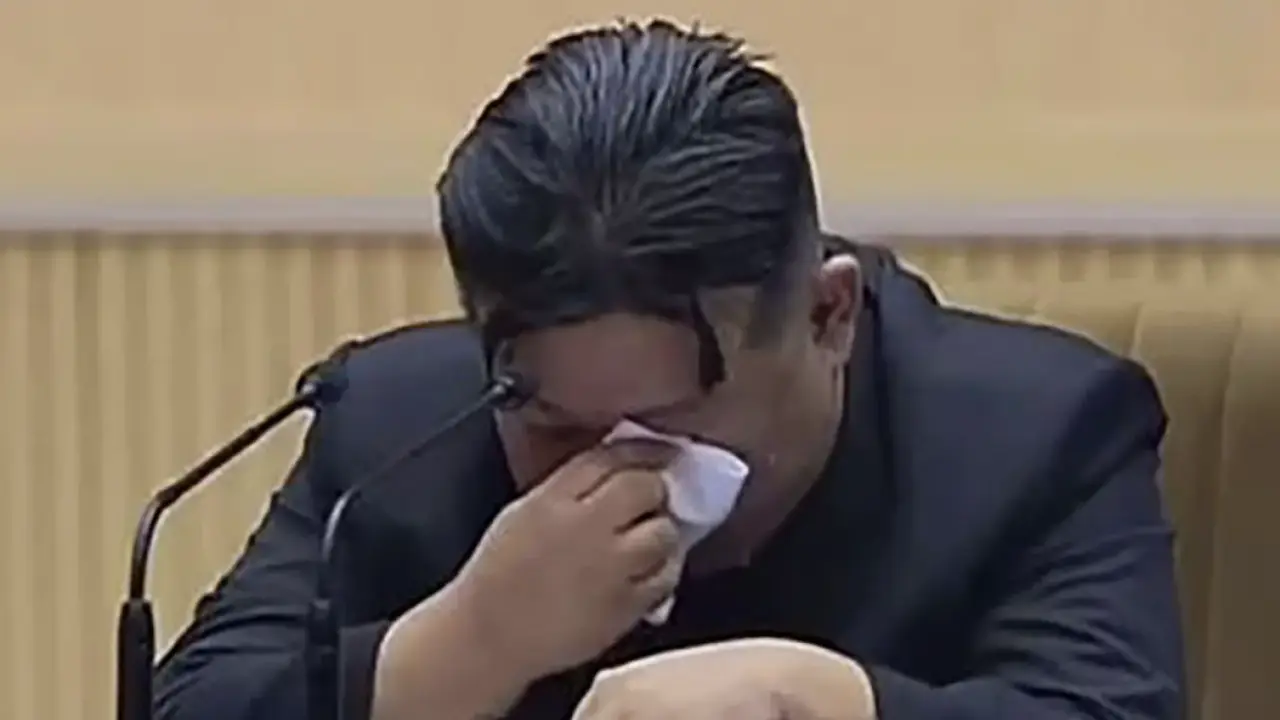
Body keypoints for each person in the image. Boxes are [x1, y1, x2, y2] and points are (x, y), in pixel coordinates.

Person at [154, 19, 1185, 720]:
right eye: (552, 422)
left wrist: (815, 699)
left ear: (827, 316)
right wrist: (470, 641)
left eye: (666, 426)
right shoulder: (391, 425)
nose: (610, 468)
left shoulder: (1040, 438)